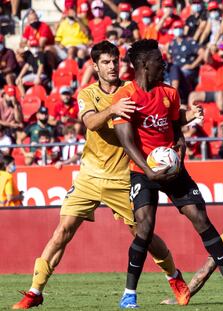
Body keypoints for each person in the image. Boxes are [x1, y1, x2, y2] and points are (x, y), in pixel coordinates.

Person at [12, 41, 193, 309]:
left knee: (143, 234)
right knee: (63, 230)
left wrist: (189, 116)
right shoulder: (87, 94)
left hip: (122, 177)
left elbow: (163, 114)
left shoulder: (131, 91)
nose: (112, 67)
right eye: (106, 62)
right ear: (95, 66)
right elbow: (90, 122)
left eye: (115, 61)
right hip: (89, 176)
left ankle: (174, 276)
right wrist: (111, 110)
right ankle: (35, 291)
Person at [112, 39, 223, 308]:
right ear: (143, 64)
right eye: (158, 60)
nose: (163, 64)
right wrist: (149, 172)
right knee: (144, 227)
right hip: (143, 170)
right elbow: (126, 141)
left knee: (200, 218)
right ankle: (129, 293)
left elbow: (177, 132)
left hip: (173, 168)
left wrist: (179, 156)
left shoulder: (171, 93)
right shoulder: (126, 96)